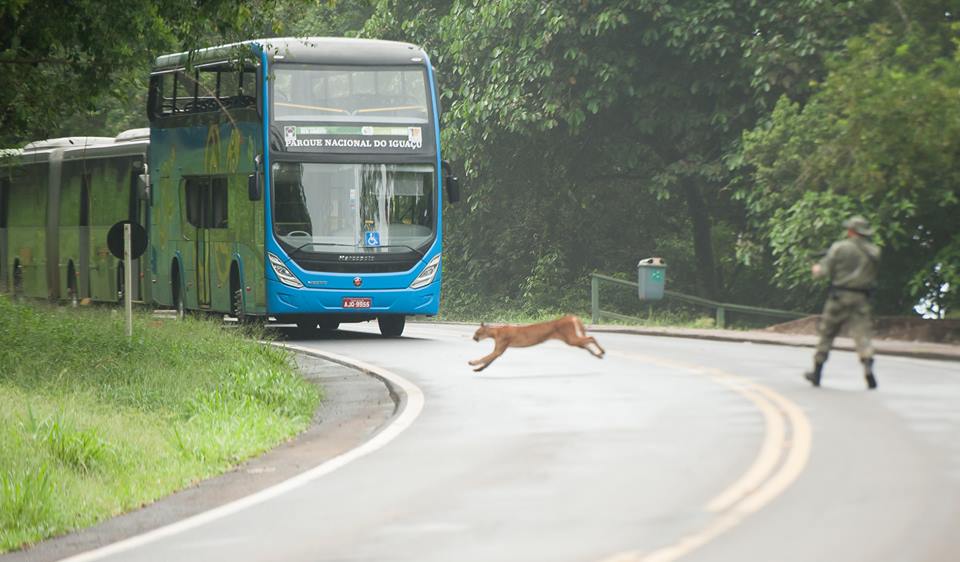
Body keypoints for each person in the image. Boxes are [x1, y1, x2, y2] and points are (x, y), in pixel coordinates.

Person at [805, 216, 881, 390]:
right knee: (862, 334)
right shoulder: (874, 252)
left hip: (839, 297)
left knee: (827, 333)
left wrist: (816, 269)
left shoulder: (839, 248)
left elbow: (823, 271)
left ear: (851, 231)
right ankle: (867, 362)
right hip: (862, 298)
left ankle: (817, 372)